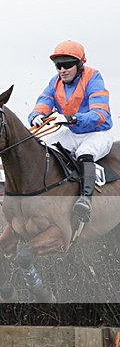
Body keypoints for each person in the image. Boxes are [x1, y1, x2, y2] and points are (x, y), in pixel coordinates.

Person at [28, 40, 113, 222]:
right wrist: (35, 115)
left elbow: (100, 113)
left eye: (67, 65)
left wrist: (72, 118)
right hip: (72, 133)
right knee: (41, 147)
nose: (62, 70)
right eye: (58, 65)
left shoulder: (93, 77)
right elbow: (44, 101)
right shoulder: (55, 82)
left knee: (84, 152)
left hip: (96, 133)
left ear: (80, 65)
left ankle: (85, 200)